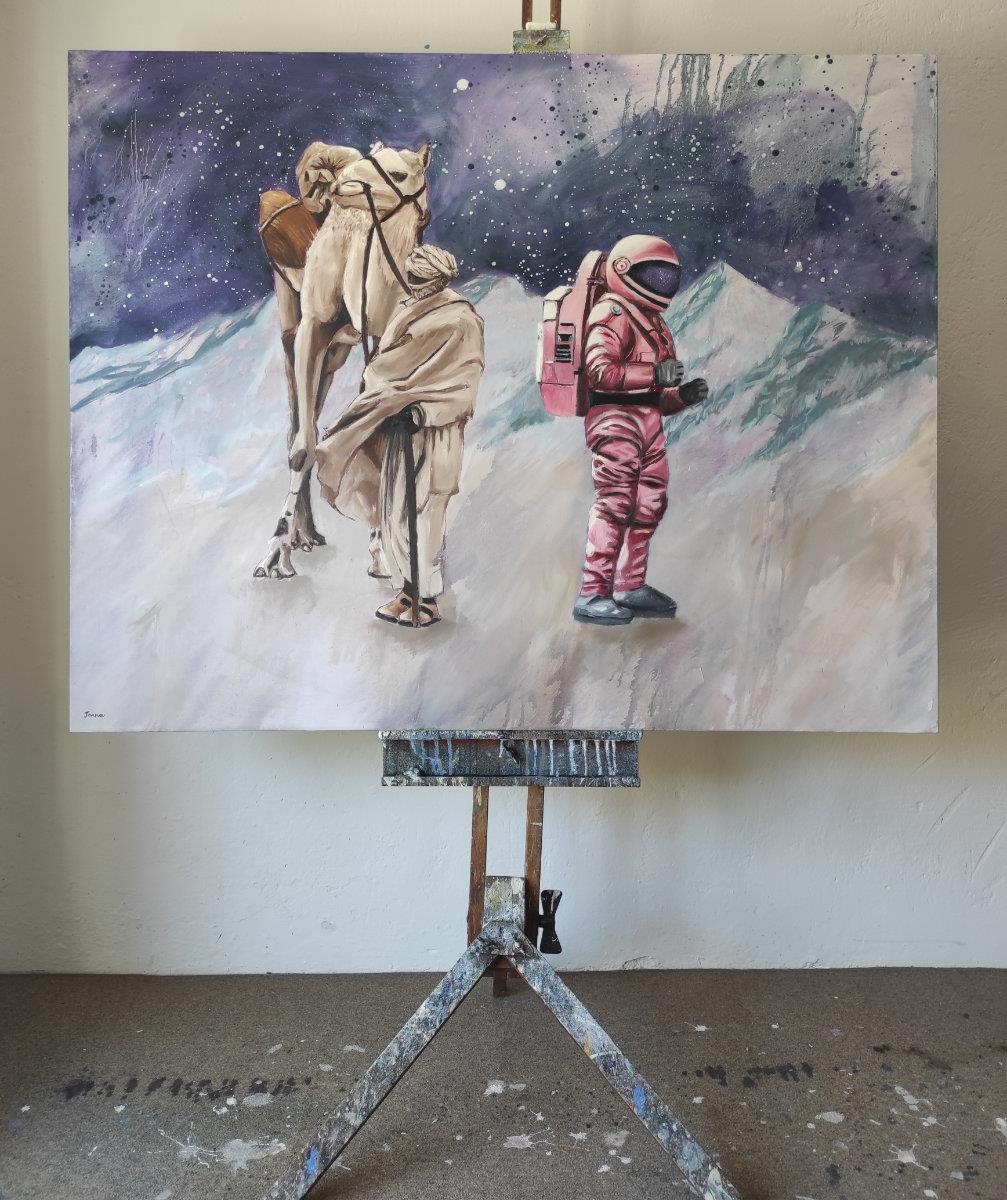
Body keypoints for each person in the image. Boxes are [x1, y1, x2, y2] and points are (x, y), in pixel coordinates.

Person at [315, 245, 485, 627]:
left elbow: (463, 383)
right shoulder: (406, 311)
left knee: (426, 517)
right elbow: (385, 368)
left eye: (419, 278)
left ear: (437, 279)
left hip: (435, 433)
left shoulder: (462, 319)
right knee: (395, 514)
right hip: (400, 430)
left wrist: (424, 410)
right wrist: (387, 398)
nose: (412, 284)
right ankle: (406, 593)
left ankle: (427, 601)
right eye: (411, 277)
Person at [573, 234, 709, 627]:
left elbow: (656, 396)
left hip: (647, 421)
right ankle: (593, 592)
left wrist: (680, 396)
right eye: (653, 275)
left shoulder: (652, 321)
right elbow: (601, 372)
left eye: (668, 277)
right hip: (615, 419)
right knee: (615, 502)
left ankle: (630, 584)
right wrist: (655, 374)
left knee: (648, 504)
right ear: (623, 270)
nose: (661, 284)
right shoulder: (612, 312)